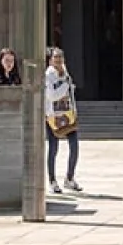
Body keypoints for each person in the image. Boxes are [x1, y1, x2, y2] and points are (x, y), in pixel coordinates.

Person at [44, 47, 82, 194]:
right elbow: (52, 96)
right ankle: (52, 180)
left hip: (68, 115)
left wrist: (75, 111)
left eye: (61, 58)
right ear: (51, 60)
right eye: (56, 58)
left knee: (74, 147)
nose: (59, 61)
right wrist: (66, 85)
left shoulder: (65, 73)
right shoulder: (48, 75)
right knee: (53, 149)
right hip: (53, 117)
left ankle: (69, 178)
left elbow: (70, 94)